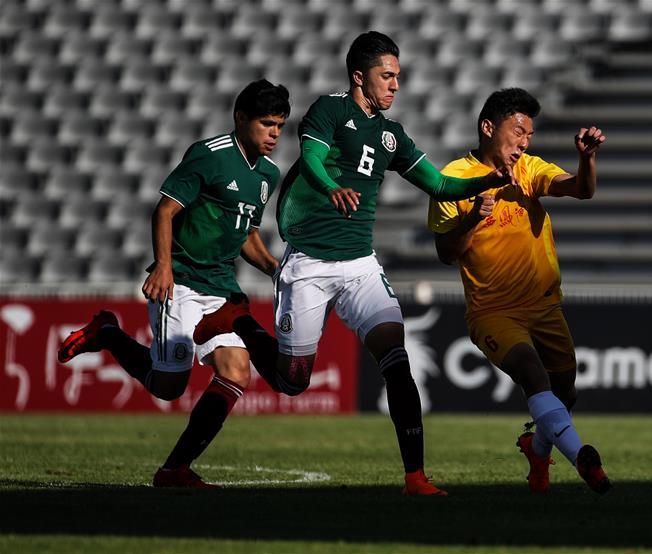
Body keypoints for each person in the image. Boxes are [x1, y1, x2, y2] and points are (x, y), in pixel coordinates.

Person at [192, 31, 511, 496]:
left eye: (398, 77)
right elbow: (313, 158)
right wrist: (330, 188)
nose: (396, 85)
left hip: (360, 264)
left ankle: (415, 477)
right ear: (360, 76)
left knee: (396, 360)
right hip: (309, 264)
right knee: (293, 382)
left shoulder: (391, 134)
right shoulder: (330, 109)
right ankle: (240, 320)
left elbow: (440, 185)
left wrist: (484, 182)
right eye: (388, 76)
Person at [57, 79, 290, 488]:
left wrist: (274, 266)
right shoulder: (208, 156)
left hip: (221, 288)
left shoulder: (267, 175)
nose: (274, 133)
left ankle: (174, 469)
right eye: (266, 123)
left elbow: (246, 234)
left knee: (236, 372)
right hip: (180, 282)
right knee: (169, 386)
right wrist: (163, 266)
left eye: (280, 126)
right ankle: (108, 333)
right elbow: (164, 211)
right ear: (240, 119)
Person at [427, 88, 612, 494]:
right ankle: (583, 458)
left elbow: (581, 189)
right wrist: (475, 215)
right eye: (518, 132)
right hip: (493, 311)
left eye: (529, 134)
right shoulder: (453, 180)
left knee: (565, 391)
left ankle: (537, 446)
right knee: (532, 372)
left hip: (545, 307)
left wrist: (586, 158)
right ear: (488, 127)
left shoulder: (529, 169)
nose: (525, 142)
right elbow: (446, 253)